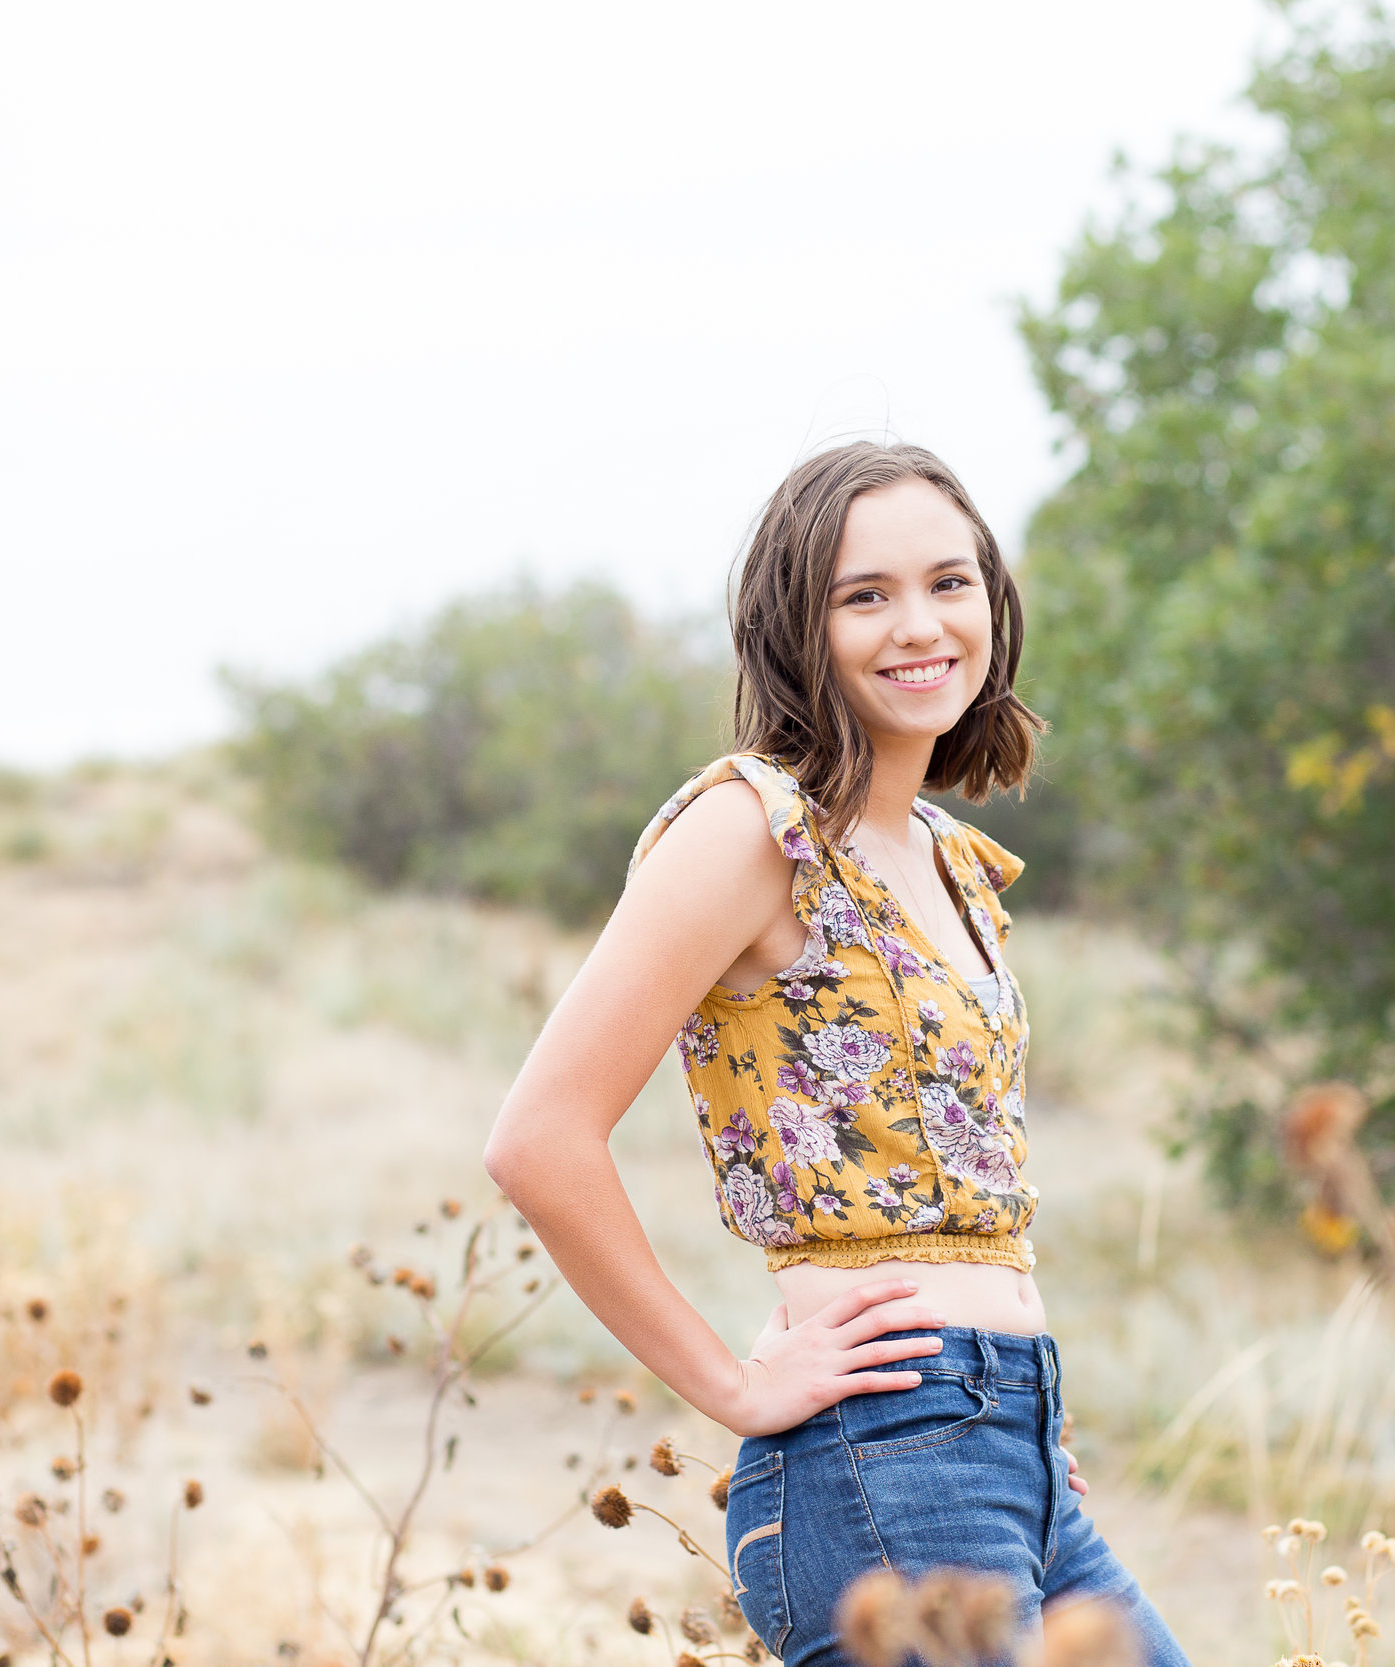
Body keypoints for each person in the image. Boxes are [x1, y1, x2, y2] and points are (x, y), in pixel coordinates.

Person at [483, 441, 1186, 1666]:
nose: (919, 624)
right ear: (794, 628)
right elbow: (538, 1138)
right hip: (885, 1459)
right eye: (865, 595)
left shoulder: (952, 856)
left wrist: (1020, 1406)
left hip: (1008, 1442)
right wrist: (735, 1388)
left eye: (949, 582)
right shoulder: (749, 829)